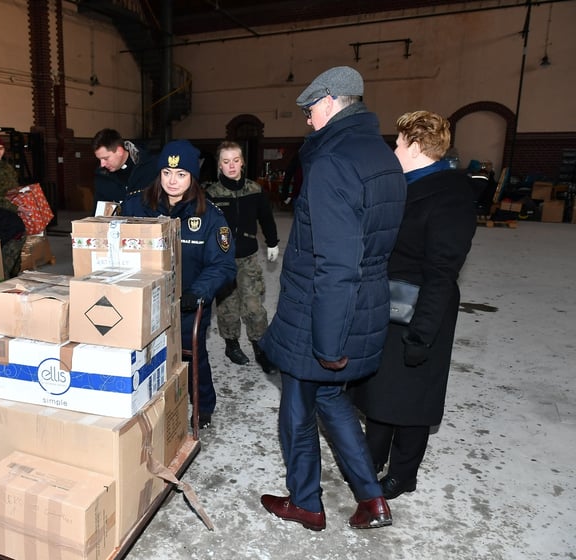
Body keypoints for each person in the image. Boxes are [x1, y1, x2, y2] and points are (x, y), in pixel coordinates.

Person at [257, 66, 407, 531]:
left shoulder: (332, 161)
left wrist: (326, 343)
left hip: (321, 312)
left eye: (309, 110)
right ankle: (372, 498)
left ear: (329, 102)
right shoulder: (382, 156)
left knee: (297, 413)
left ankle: (306, 503)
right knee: (334, 401)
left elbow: (337, 263)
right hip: (363, 305)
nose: (306, 120)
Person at [348, 111, 477, 500]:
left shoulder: (451, 196)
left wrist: (423, 333)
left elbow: (442, 272)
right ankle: (372, 459)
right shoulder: (404, 185)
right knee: (382, 392)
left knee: (413, 400)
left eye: (400, 143)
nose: (394, 149)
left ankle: (404, 474)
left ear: (417, 147)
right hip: (388, 307)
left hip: (421, 313)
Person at [121, 140, 236, 429]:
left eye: (181, 174)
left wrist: (197, 293)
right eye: (167, 173)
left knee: (193, 356)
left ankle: (203, 405)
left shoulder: (210, 216)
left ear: (193, 177)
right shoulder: (136, 206)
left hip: (187, 304)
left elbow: (222, 265)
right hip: (140, 301)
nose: (173, 181)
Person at [204, 140, 279, 373]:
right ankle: (231, 344)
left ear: (243, 162)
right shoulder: (211, 194)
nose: (232, 166)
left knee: (254, 306)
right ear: (219, 165)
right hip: (222, 261)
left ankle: (261, 347)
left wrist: (273, 242)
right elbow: (204, 227)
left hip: (248, 258)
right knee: (228, 306)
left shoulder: (255, 191)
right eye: (226, 162)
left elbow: (266, 218)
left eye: (236, 160)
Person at [92, 128, 158, 213]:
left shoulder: (149, 166)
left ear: (120, 151)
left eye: (105, 158)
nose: (102, 164)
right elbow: (99, 212)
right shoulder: (102, 176)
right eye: (100, 159)